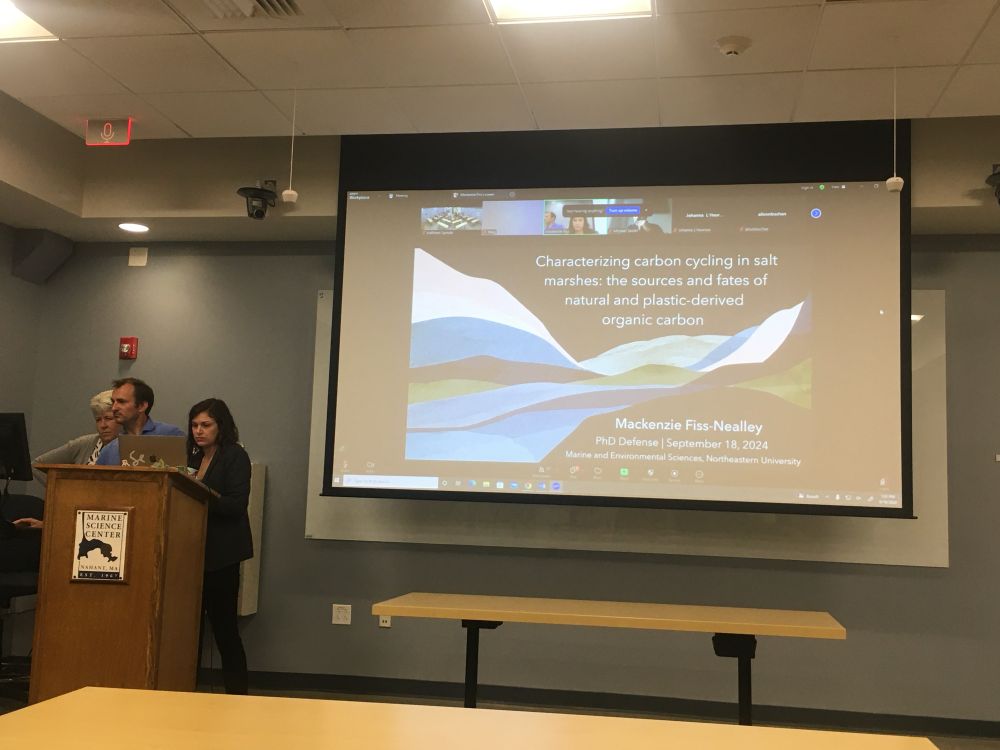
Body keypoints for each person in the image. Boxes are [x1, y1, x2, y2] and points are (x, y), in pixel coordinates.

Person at [187, 398, 253, 695]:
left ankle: (237, 696)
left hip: (221, 555)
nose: (199, 431)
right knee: (188, 630)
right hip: (188, 553)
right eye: (195, 425)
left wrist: (201, 491)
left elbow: (236, 505)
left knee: (225, 629)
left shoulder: (234, 456)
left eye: (206, 425)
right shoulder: (190, 457)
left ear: (221, 426)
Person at [13, 390, 121, 531]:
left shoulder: (131, 448)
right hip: (76, 517)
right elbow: (37, 465)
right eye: (98, 420)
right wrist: (65, 491)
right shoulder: (85, 443)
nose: (103, 425)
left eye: (108, 418)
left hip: (111, 521)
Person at [95, 377, 184, 466]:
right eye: (113, 402)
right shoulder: (109, 451)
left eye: (121, 402)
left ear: (141, 406)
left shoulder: (171, 435)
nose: (114, 408)